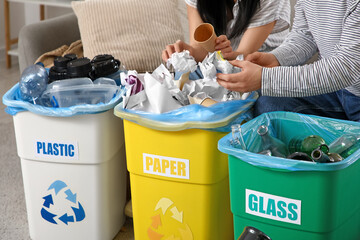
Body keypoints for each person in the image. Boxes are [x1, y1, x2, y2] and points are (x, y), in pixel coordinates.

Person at [216, 0, 360, 121]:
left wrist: (266, 79)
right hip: (334, 90)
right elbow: (304, 36)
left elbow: (347, 67)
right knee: (269, 106)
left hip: (354, 91)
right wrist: (275, 58)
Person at [162, 0, 290, 64]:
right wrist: (188, 52)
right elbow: (201, 49)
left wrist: (225, 54)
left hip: (263, 69)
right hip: (221, 66)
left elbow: (243, 56)